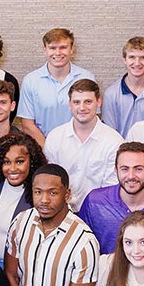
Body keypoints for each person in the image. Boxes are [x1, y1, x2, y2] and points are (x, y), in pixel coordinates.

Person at [40, 79, 124, 208]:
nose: (82, 108)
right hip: (59, 211)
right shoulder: (55, 138)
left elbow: (111, 189)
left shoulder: (114, 141)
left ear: (99, 102)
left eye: (88, 102)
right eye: (76, 102)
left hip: (98, 212)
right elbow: (48, 181)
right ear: (70, 104)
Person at [0, 133, 46, 259]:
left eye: (20, 162)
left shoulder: (40, 193)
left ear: (31, 161)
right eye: (6, 162)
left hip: (23, 269)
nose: (12, 168)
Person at [18, 28, 97, 134]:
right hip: (43, 148)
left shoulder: (87, 77)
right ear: (44, 50)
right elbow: (27, 124)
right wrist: (48, 148)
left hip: (79, 147)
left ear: (72, 49)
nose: (58, 53)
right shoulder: (31, 81)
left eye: (63, 47)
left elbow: (92, 118)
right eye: (52, 48)